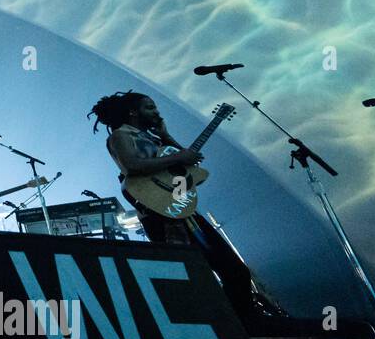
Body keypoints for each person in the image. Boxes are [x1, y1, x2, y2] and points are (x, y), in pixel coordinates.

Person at [88, 90, 253, 315]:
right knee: (193, 277)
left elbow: (190, 164)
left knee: (235, 271)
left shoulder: (155, 139)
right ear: (133, 112)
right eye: (150, 107)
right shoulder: (121, 135)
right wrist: (177, 157)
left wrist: (166, 135)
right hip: (159, 213)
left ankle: (247, 323)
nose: (156, 111)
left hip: (181, 209)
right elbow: (132, 166)